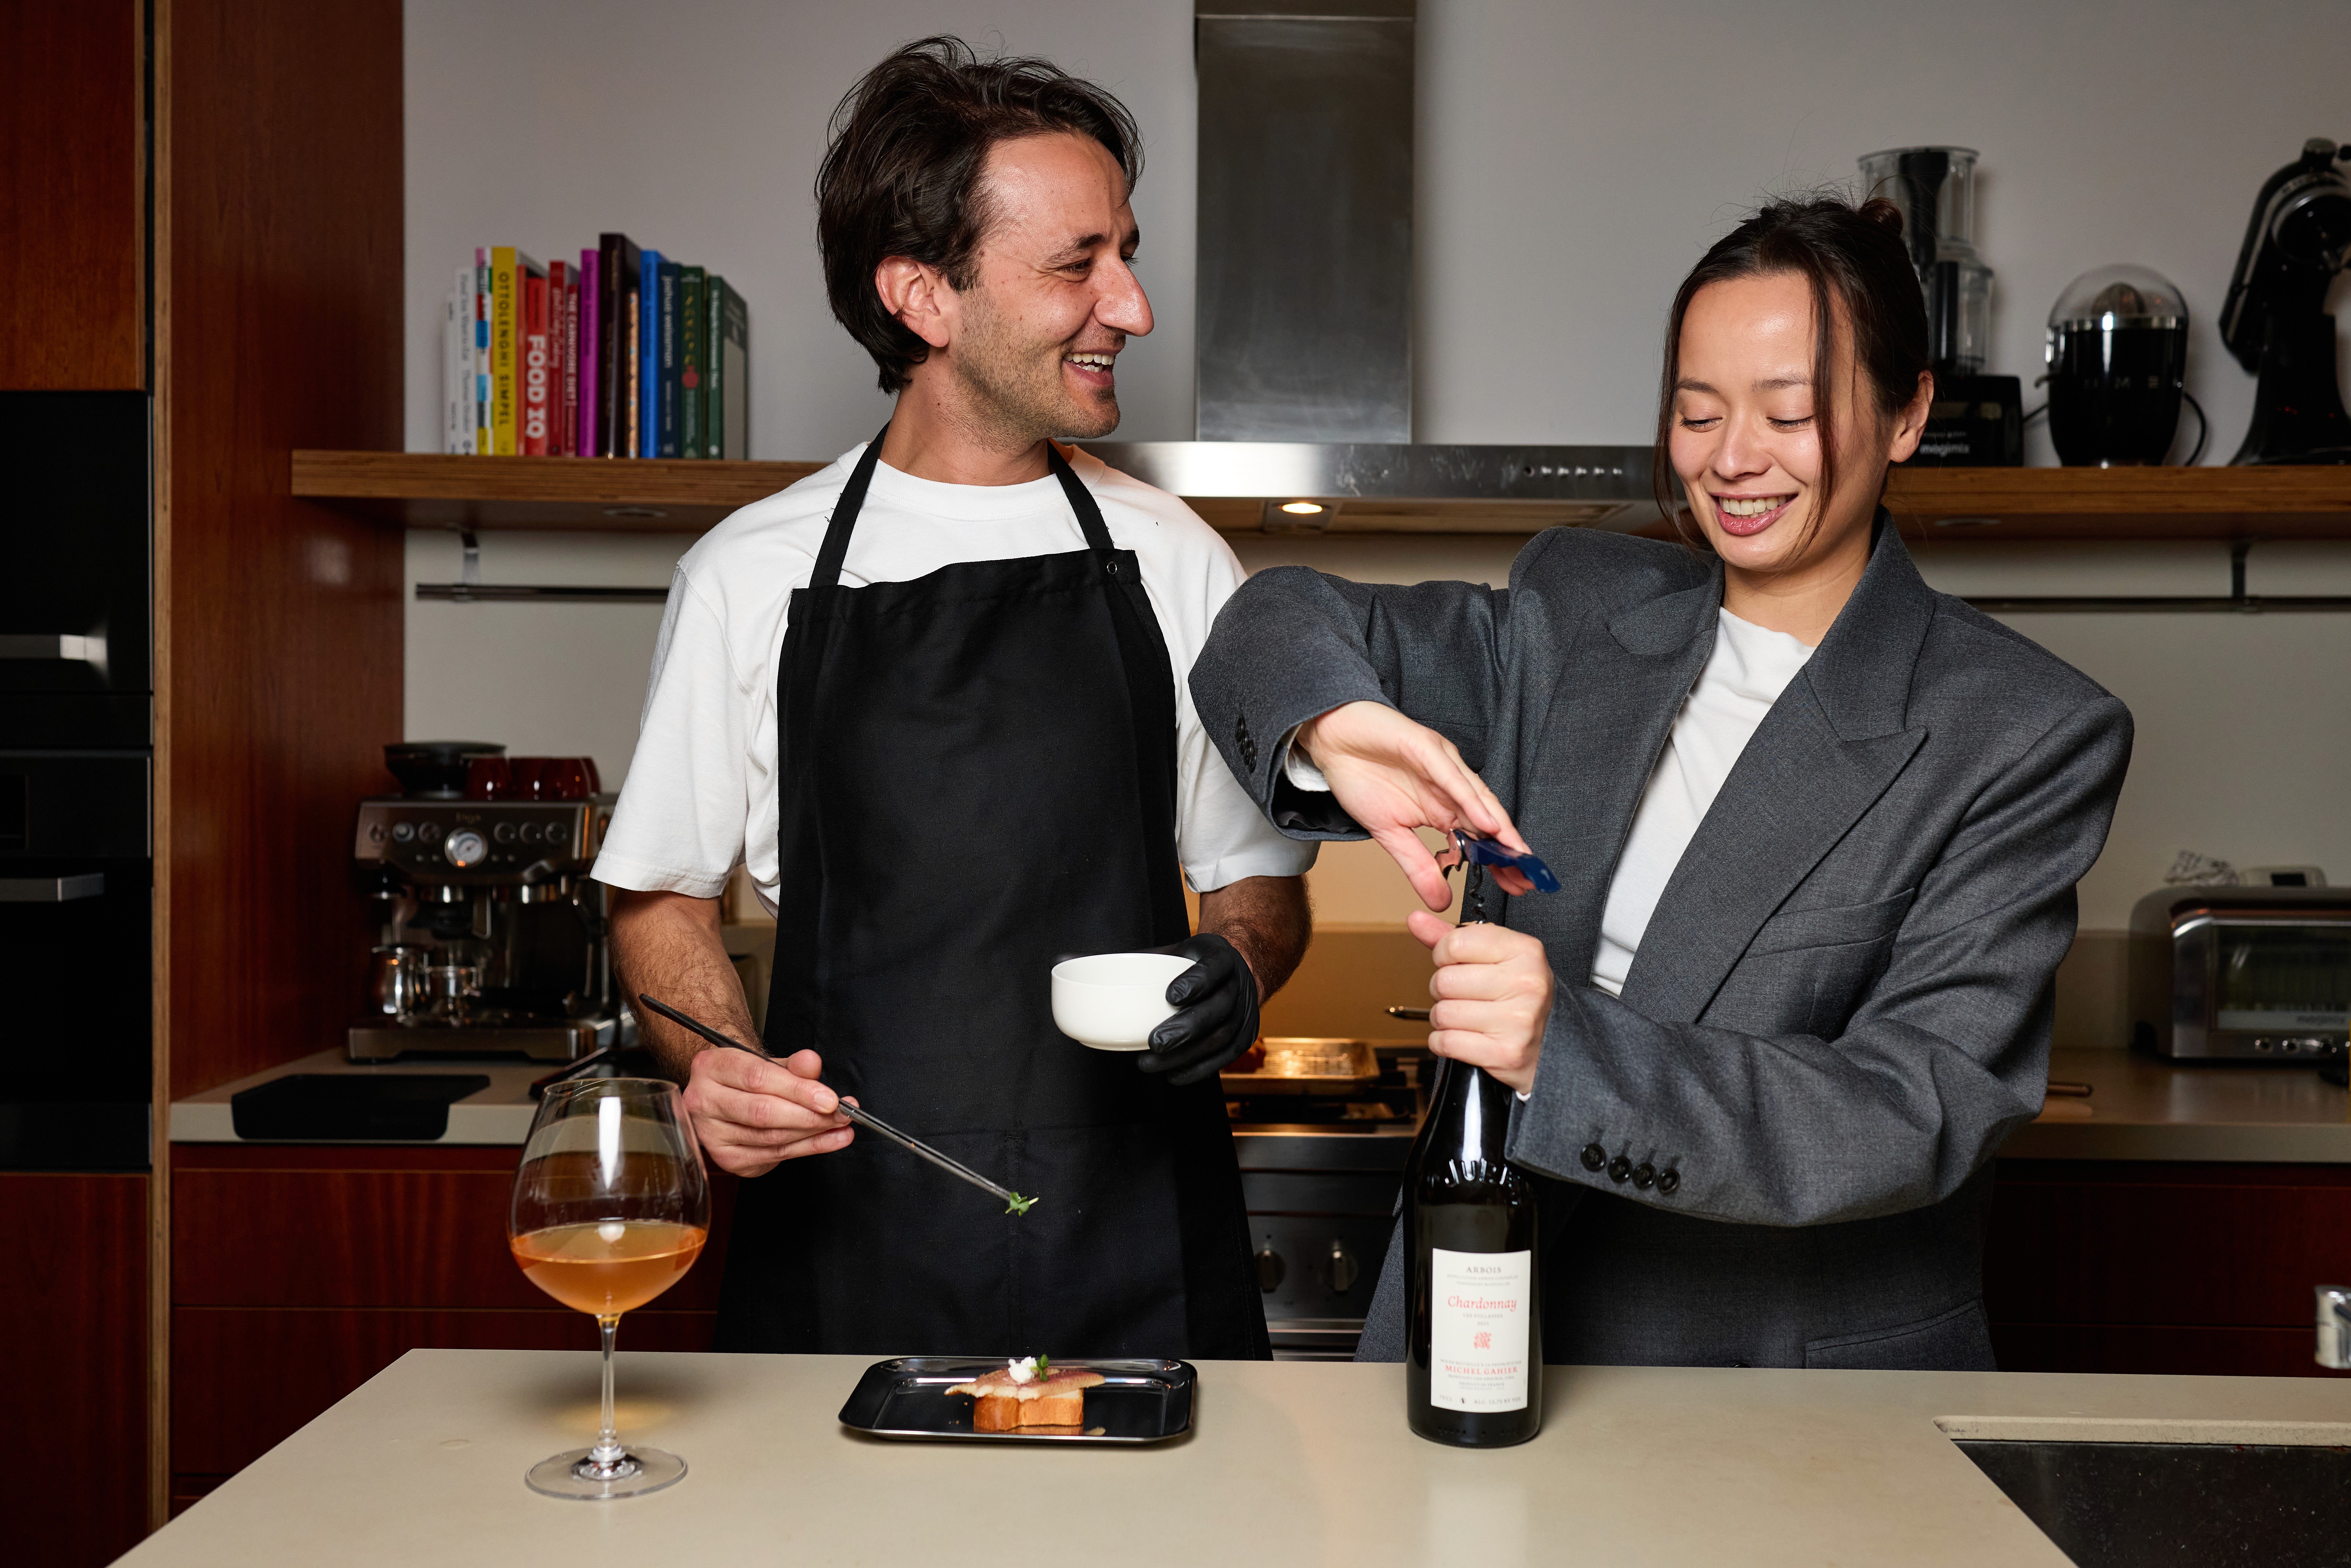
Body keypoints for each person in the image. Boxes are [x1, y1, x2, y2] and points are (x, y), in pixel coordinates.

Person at [1189, 196, 2132, 1370]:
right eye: (1695, 412)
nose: (1728, 459)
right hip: (1484, 1332)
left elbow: (1913, 1106)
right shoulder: (1576, 615)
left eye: (1786, 412)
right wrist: (1337, 724)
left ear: (1906, 415)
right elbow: (1274, 618)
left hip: (1780, 1387)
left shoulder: (2020, 729)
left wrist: (1562, 1054)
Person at [595, 37, 1313, 1359]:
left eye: (1127, 253)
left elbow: (1255, 888)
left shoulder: (1174, 558)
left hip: (1137, 1230)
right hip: (847, 1239)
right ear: (923, 295)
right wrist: (718, 1065)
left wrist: (1240, 972)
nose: (1133, 307)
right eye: (1074, 265)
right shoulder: (751, 573)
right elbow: (659, 895)